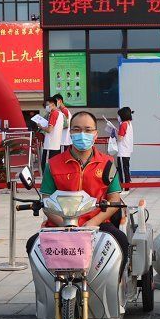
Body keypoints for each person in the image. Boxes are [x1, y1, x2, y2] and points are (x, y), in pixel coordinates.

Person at [29, 111, 129, 262]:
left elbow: (114, 200)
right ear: (70, 133)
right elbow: (46, 201)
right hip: (61, 225)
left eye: (88, 130)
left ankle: (117, 283)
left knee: (121, 241)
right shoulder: (53, 164)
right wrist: (65, 224)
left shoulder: (107, 163)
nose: (82, 134)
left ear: (95, 134)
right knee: (32, 244)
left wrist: (92, 223)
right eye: (76, 129)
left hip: (97, 224)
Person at [39, 96, 64, 171]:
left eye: (47, 105)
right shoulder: (60, 114)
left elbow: (49, 130)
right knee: (55, 168)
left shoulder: (54, 114)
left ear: (52, 104)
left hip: (50, 146)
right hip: (56, 145)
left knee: (47, 168)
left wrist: (41, 126)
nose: (46, 107)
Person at [114, 106, 134, 185]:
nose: (118, 117)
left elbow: (120, 138)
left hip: (122, 151)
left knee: (122, 170)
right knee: (126, 169)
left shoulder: (123, 124)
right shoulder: (129, 123)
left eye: (119, 115)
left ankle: (125, 187)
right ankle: (127, 185)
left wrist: (115, 136)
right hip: (127, 150)